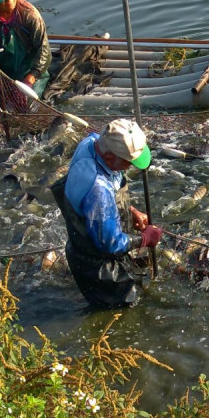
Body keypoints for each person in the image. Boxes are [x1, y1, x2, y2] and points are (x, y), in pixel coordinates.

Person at [50, 118, 162, 307]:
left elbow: (108, 195)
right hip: (99, 268)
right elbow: (110, 244)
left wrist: (131, 210)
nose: (130, 167)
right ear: (110, 158)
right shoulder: (97, 189)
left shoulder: (92, 142)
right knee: (123, 312)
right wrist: (145, 239)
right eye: (128, 163)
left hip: (86, 241)